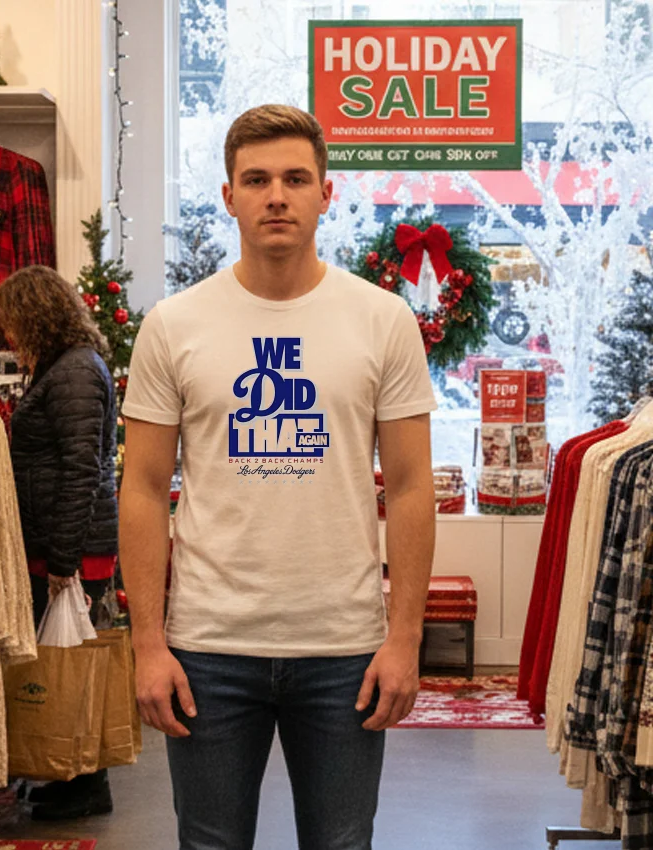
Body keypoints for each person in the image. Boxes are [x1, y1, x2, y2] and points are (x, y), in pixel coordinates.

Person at [120, 104, 437, 849]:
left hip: (344, 648)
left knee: (342, 844)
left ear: (326, 193)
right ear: (228, 196)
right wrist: (147, 644)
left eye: (296, 179)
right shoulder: (174, 324)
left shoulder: (382, 319)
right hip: (207, 647)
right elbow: (142, 489)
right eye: (257, 180)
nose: (276, 196)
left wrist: (405, 638)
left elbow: (411, 486)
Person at [0, 265, 118, 822]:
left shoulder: (74, 371)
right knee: (67, 659)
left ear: (35, 316)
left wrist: (63, 562)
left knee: (74, 665)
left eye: (12, 321)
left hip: (74, 546)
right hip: (63, 541)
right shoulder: (63, 366)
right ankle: (73, 774)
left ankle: (87, 782)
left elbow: (81, 469)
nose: (7, 333)